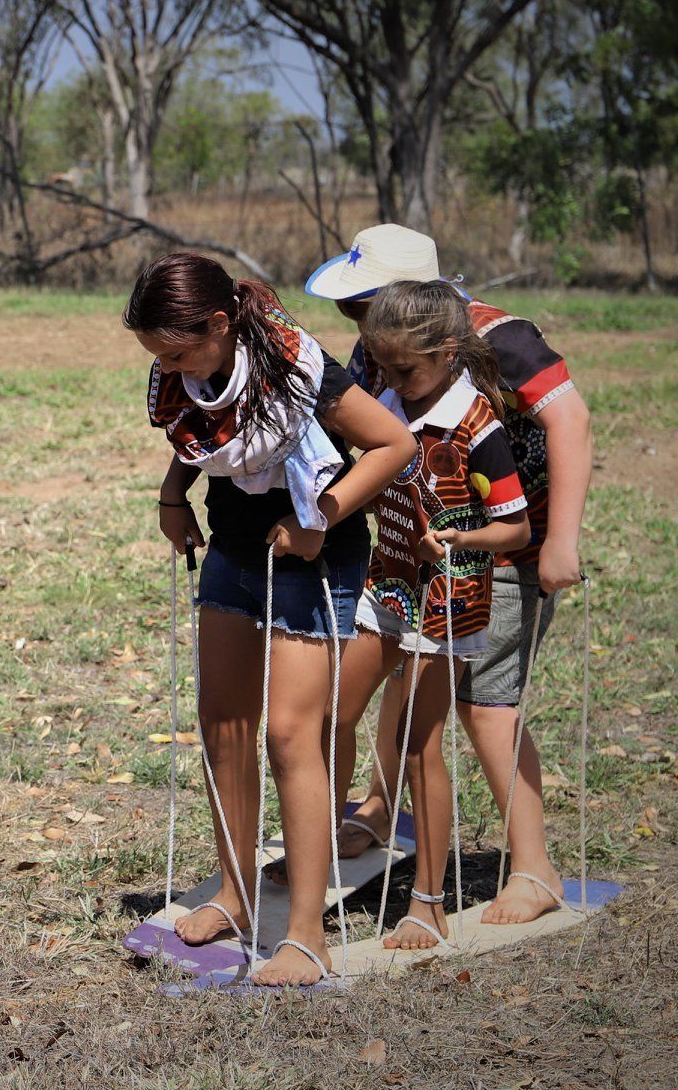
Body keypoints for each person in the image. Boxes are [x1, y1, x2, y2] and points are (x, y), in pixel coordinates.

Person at [127, 252, 414, 985]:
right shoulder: (184, 372)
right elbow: (198, 435)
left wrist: (320, 514)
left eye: (177, 348)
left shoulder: (298, 368)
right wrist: (171, 495)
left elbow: (393, 445)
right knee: (223, 726)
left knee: (291, 736)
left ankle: (305, 934)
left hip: (316, 558)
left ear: (220, 325)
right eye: (157, 354)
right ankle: (233, 892)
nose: (166, 366)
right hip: (232, 550)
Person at [306, 224, 594, 923]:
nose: (356, 324)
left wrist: (559, 541)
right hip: (414, 555)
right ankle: (377, 811)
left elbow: (570, 422)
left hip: (501, 556)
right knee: (407, 683)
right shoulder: (380, 347)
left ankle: (533, 869)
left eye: (362, 305)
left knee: (483, 707)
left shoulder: (501, 340)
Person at [326, 280, 531, 948]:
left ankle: (427, 903)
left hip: (448, 596)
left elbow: (516, 530)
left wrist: (456, 540)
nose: (390, 381)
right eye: (381, 367)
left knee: (418, 742)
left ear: (447, 352)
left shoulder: (476, 426)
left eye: (403, 369)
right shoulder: (388, 398)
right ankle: (318, 852)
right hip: (385, 582)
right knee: (331, 712)